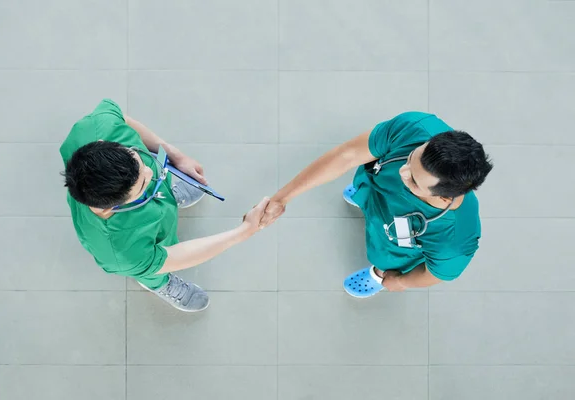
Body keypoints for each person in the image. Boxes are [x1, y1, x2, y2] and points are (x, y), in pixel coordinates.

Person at [60, 99, 269, 312]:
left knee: (155, 188)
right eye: (142, 185)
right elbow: (180, 255)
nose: (153, 173)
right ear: (107, 210)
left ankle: (167, 198)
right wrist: (243, 231)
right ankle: (157, 283)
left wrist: (175, 155)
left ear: (104, 142)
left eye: (138, 159)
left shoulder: (95, 126)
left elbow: (121, 118)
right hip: (145, 255)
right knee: (152, 269)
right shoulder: (123, 251)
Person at [260, 111, 493, 296]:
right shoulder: (414, 127)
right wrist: (281, 198)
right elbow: (347, 155)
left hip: (393, 243)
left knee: (385, 262)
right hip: (373, 189)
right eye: (411, 159)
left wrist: (400, 281)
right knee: (365, 189)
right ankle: (363, 199)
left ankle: (377, 275)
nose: (402, 172)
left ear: (443, 197)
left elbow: (433, 274)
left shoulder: (455, 242)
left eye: (413, 181)